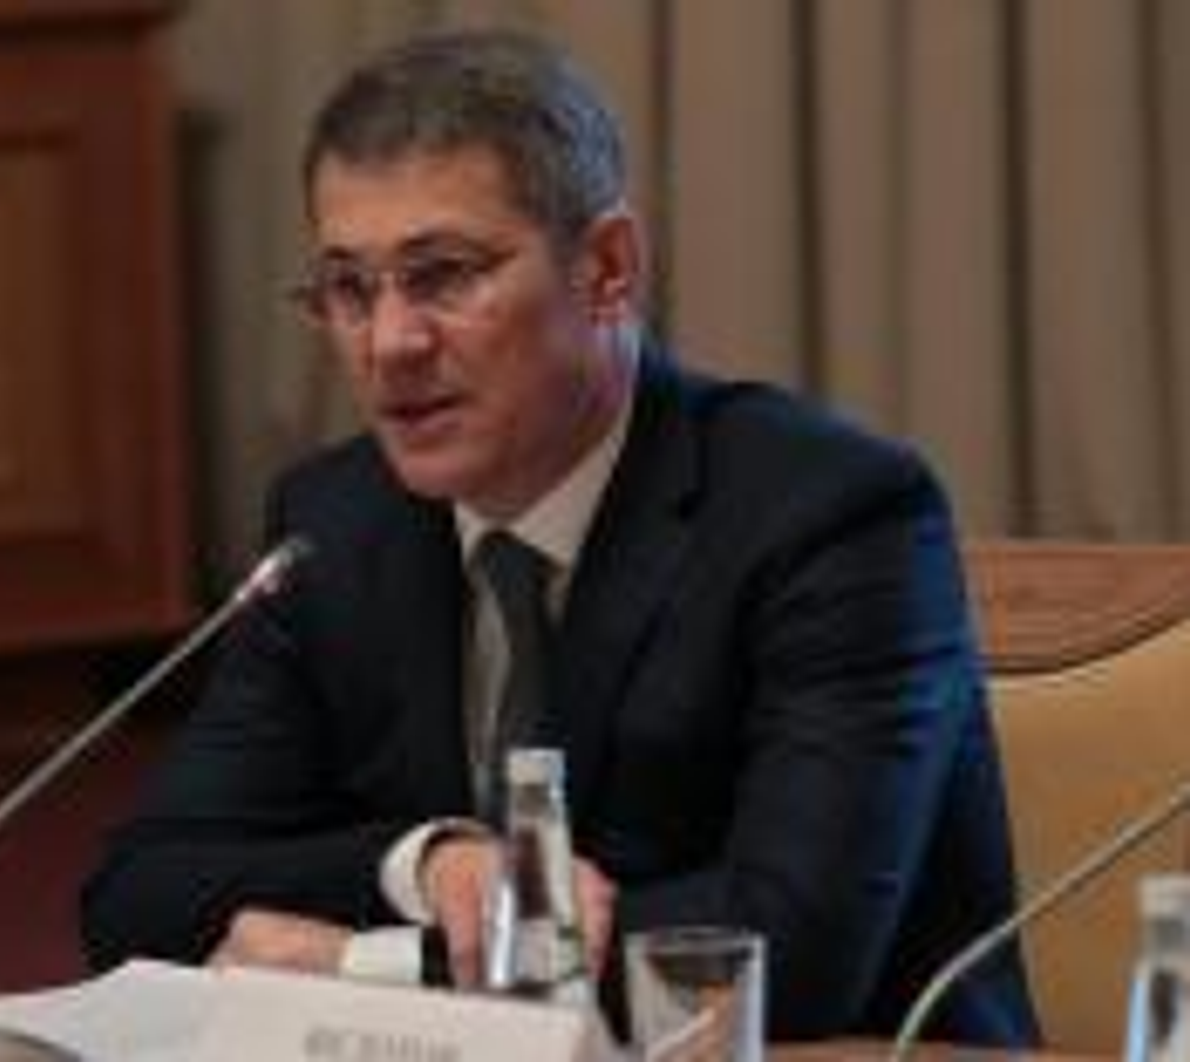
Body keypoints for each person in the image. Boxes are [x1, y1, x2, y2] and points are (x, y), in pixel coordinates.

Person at [81, 27, 1039, 1045]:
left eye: (443, 275)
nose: (390, 343)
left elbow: (785, 954)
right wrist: (425, 865)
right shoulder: (334, 524)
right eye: (350, 288)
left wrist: (364, 965)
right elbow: (141, 895)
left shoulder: (826, 515)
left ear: (608, 268)